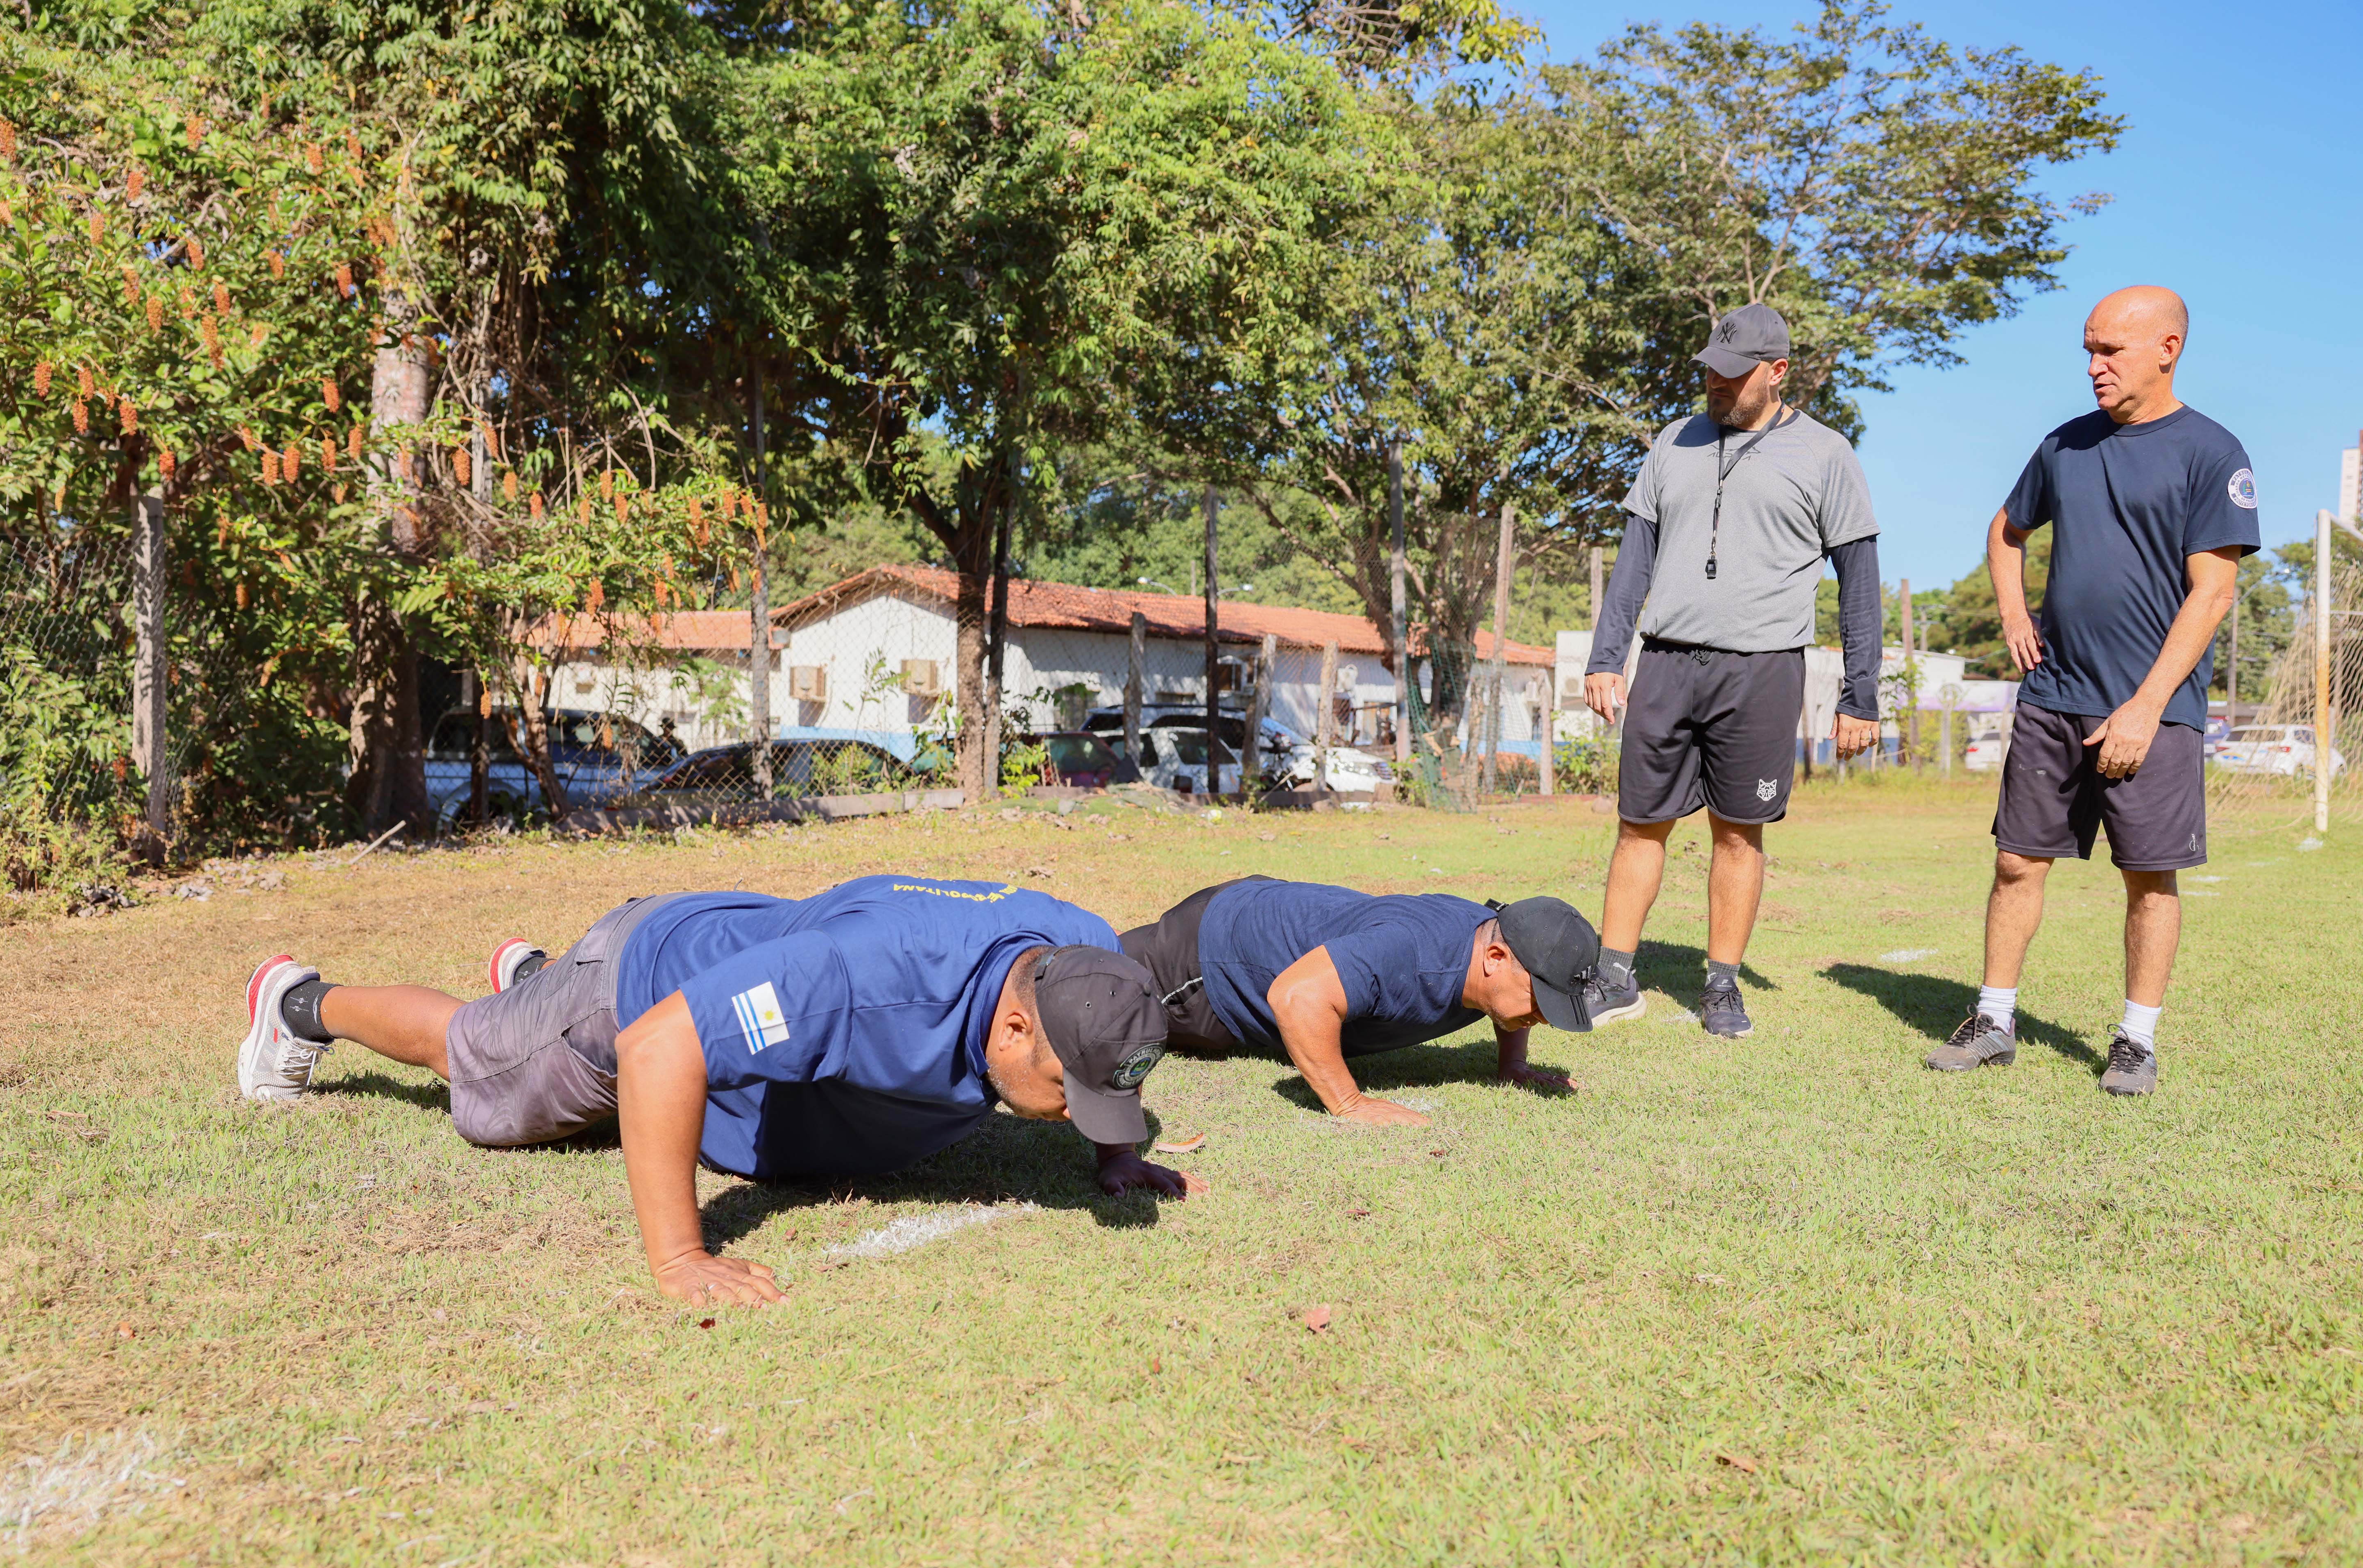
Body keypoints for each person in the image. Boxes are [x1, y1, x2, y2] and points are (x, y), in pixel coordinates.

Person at [236, 877, 1193, 1306]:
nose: (1071, 1113)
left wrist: (1117, 1152)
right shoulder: (862, 980)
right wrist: (680, 1257)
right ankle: (302, 1004)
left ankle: (536, 976)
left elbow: (1104, 1044)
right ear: (1015, 1026)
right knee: (484, 1076)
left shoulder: (1083, 962)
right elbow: (660, 1050)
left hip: (748, 962)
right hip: (643, 986)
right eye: (1068, 1095)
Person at [1925, 286, 2254, 1097]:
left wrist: (2145, 705)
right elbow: (2007, 533)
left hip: (2153, 710)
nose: (2094, 365)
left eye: (2110, 350)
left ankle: (2135, 1041)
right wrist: (2013, 609)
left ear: (2168, 347)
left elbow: (2212, 594)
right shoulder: (2062, 447)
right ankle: (1993, 1021)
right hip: (2054, 695)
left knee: (2149, 876)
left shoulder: (2213, 453)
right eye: (2089, 349)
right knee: (2015, 863)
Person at [1581, 302, 1884, 1038]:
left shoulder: (1824, 455)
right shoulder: (1671, 444)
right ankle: (1613, 975)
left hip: (1761, 671)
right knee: (1638, 823)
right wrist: (1604, 656)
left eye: (1730, 376)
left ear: (1776, 372)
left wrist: (1861, 695)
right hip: (1666, 663)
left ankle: (1721, 985)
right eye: (1709, 373)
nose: (1714, 386)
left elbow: (1860, 581)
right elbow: (1633, 562)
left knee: (1738, 832)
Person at [1117, 877, 1599, 1127]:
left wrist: (1512, 1064)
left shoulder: (1494, 938)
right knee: (1079, 985)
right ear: (1494, 958)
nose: (1541, 1016)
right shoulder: (1417, 954)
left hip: (1275, 906)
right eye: (1541, 1001)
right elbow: (1297, 995)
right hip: (1206, 957)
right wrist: (1350, 1102)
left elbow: (1517, 988)